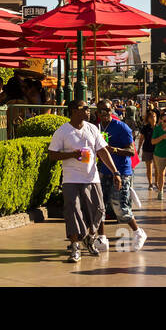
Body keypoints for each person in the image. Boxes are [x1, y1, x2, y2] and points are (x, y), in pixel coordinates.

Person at [47, 99, 121, 263]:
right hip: (71, 179)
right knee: (73, 211)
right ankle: (75, 246)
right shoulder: (62, 132)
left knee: (99, 210)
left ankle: (90, 237)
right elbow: (52, 154)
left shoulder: (92, 129)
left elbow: (102, 152)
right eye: (85, 108)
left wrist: (115, 171)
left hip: (91, 177)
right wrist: (72, 155)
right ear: (74, 111)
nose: (89, 111)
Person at [94, 100, 148, 252]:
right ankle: (102, 238)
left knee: (121, 207)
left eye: (107, 109)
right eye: (101, 110)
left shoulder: (121, 127)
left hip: (122, 172)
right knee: (101, 207)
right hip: (104, 171)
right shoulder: (97, 127)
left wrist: (115, 150)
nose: (104, 112)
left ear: (112, 110)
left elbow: (131, 151)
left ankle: (138, 232)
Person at [138, 108, 159, 191]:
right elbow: (141, 138)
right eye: (151, 117)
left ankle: (156, 183)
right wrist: (139, 148)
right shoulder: (145, 128)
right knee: (149, 168)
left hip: (158, 149)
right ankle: (150, 184)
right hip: (147, 149)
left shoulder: (159, 127)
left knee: (157, 168)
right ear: (148, 119)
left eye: (154, 116)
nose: (153, 118)